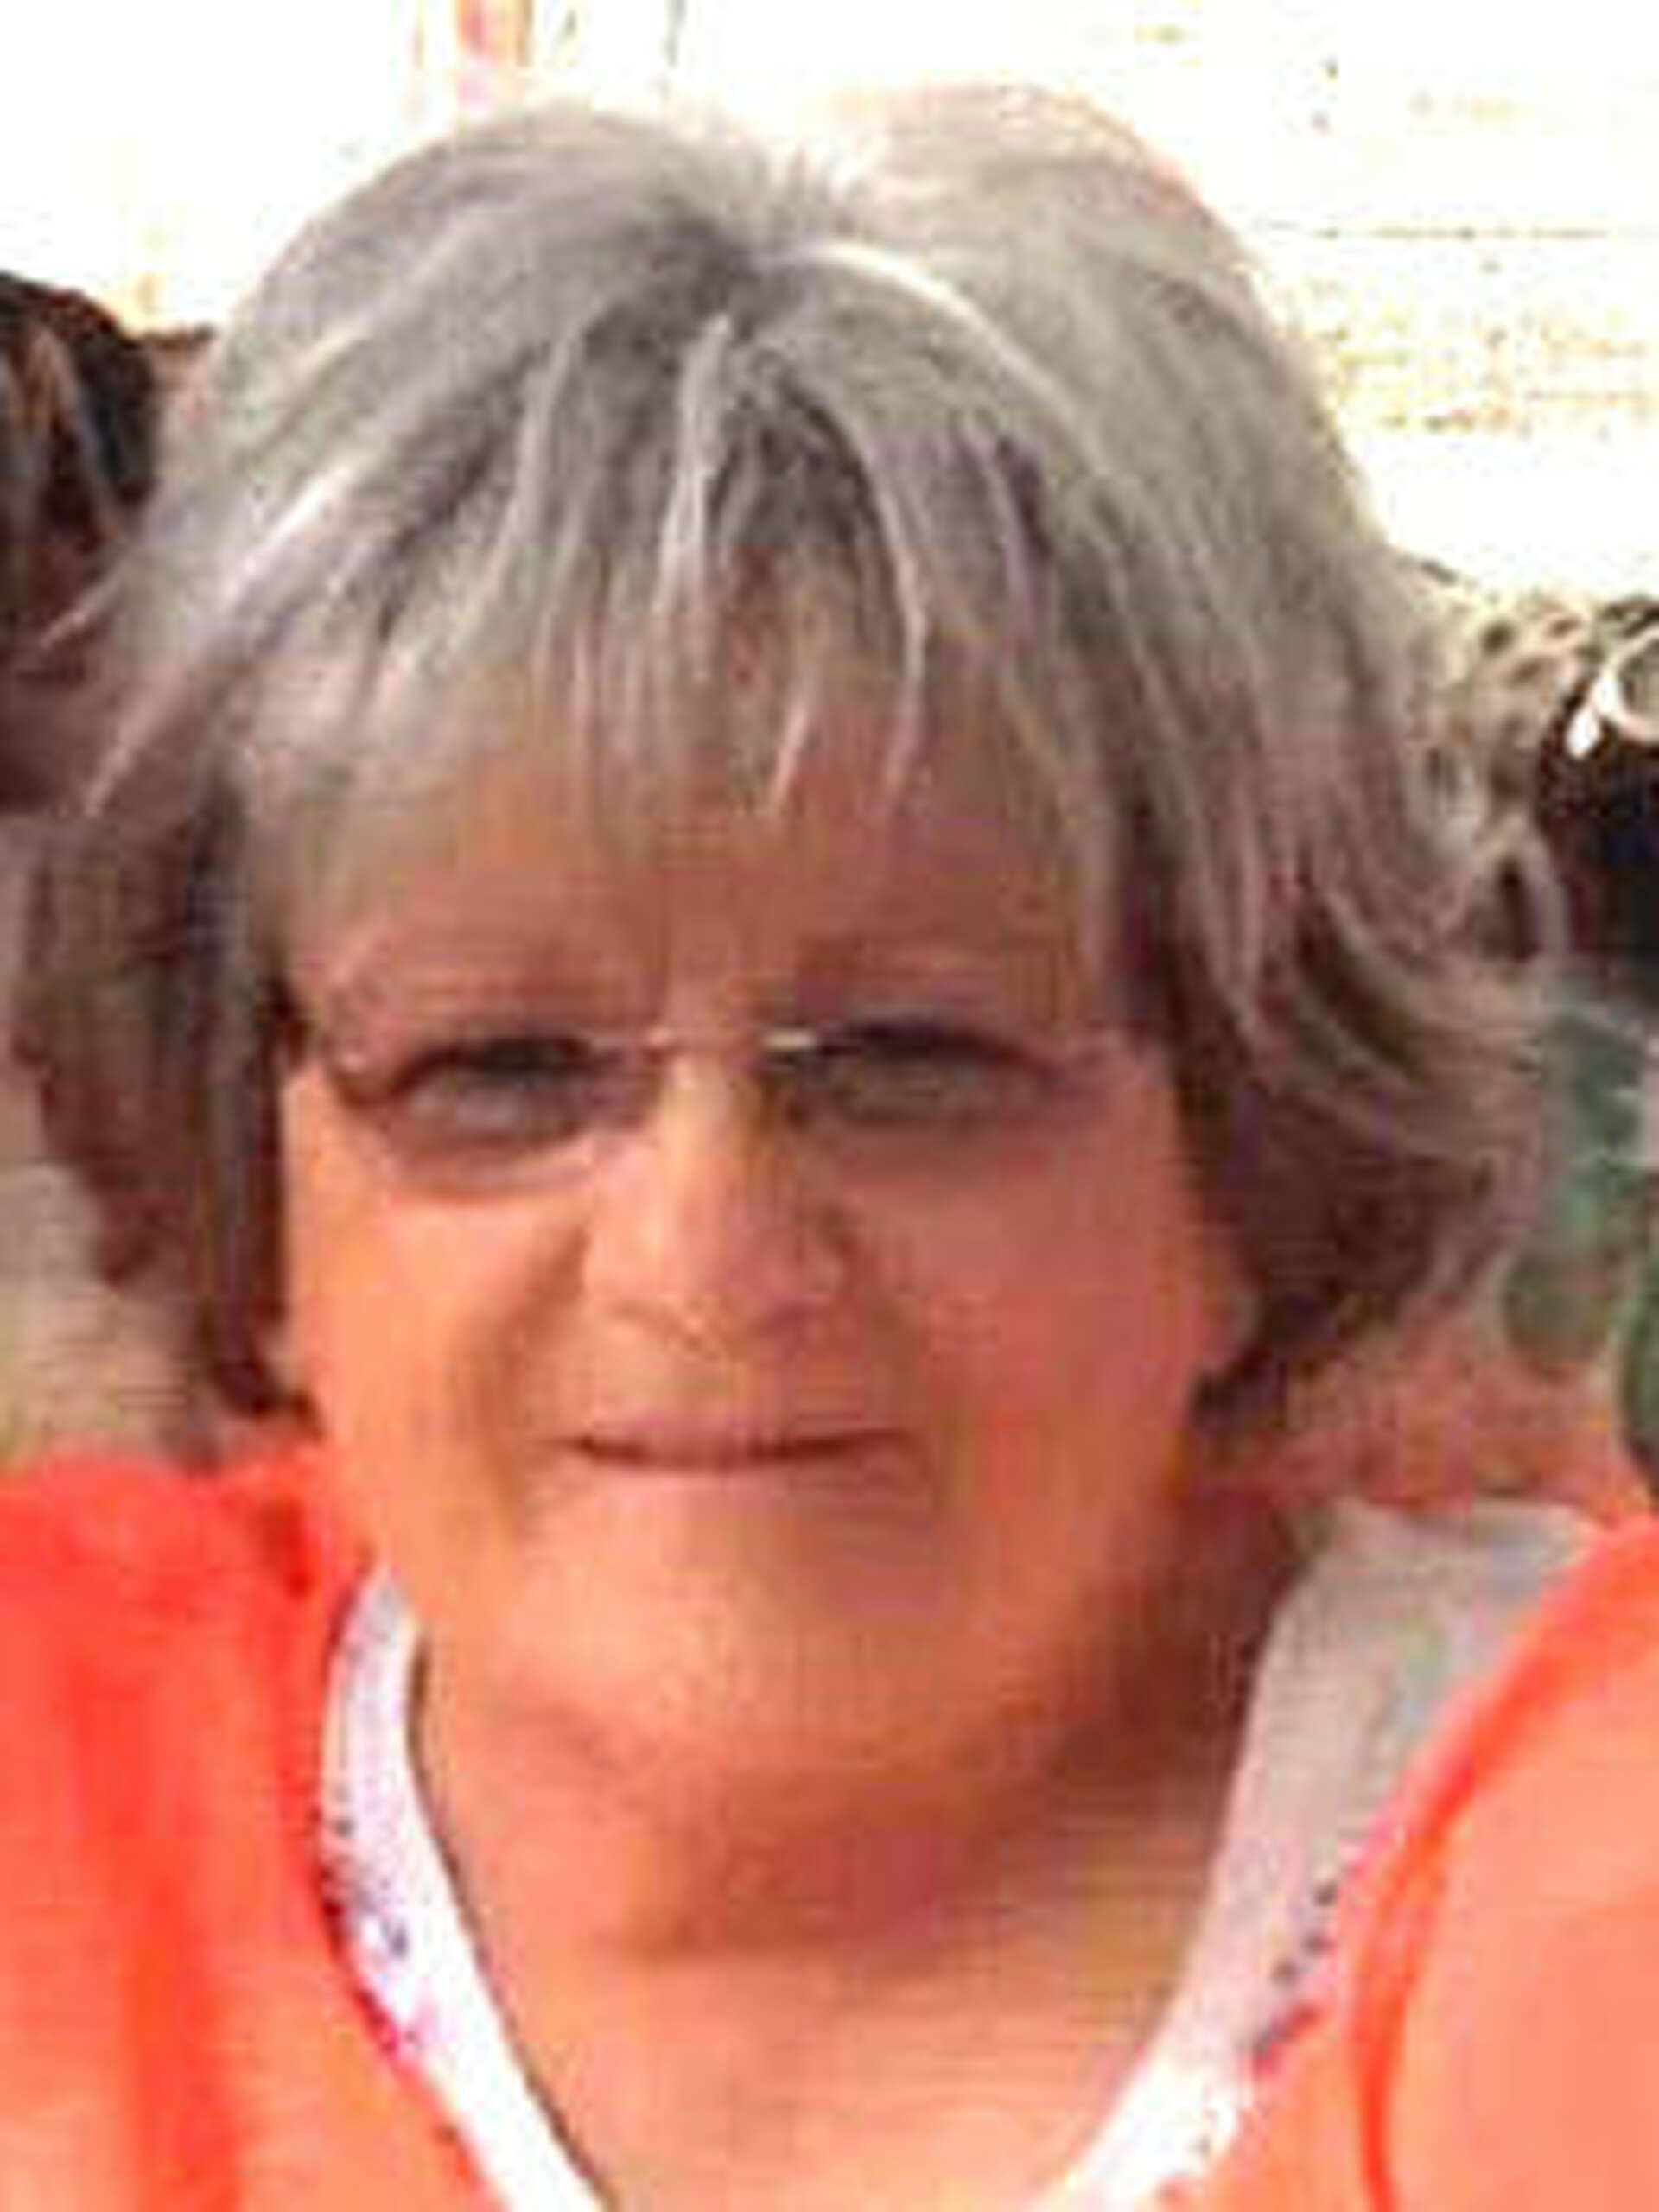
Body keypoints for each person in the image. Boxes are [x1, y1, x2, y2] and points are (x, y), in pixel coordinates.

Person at [0, 86, 1612, 2209]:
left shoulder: (1581, 1857)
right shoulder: (52, 1780)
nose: (706, 1250)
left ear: (1253, 1132)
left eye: (914, 1055)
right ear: (258, 1168)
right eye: (498, 1065)